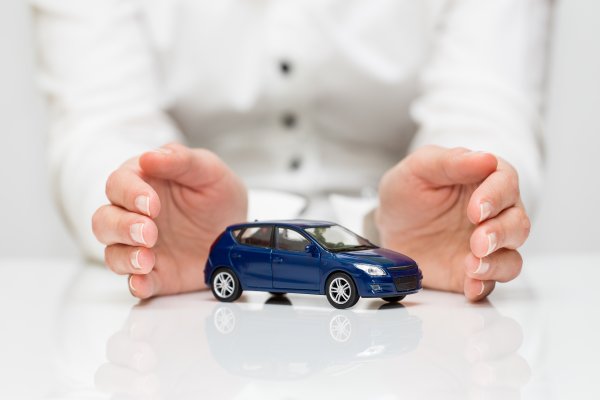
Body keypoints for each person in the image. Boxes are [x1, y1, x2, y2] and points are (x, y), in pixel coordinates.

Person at [32, 0, 550, 301]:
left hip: (417, 256)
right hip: (182, 281)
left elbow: (488, 101)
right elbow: (99, 118)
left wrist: (463, 204)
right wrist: (147, 211)